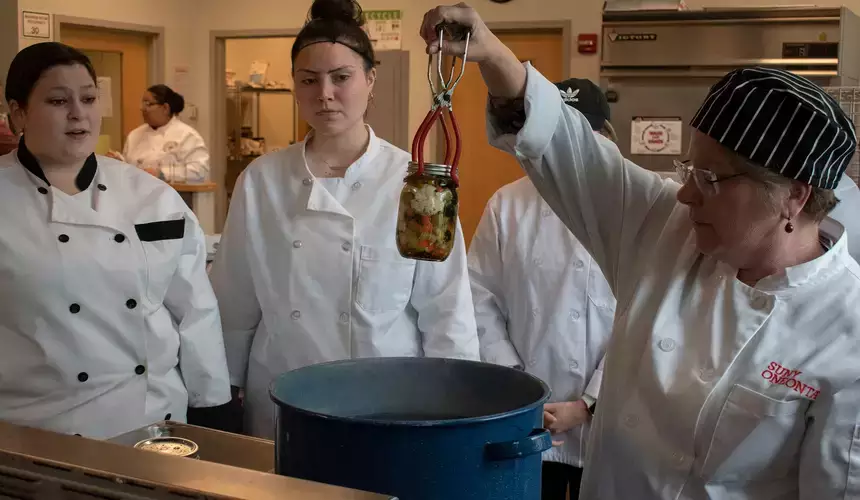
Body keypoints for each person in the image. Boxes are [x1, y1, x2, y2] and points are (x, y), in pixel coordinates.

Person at [421, 4, 860, 499]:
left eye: (710, 178)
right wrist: (494, 55)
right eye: (689, 169)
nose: (686, 194)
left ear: (794, 196)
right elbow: (569, 150)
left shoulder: (848, 331)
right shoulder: (666, 228)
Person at [210, 0, 480, 440]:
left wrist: (458, 410)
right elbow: (234, 304)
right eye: (308, 80)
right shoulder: (261, 180)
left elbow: (446, 309)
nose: (324, 94)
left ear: (370, 80)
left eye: (341, 77)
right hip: (283, 396)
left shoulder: (416, 184)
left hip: (388, 402)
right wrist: (221, 394)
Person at [0, 42, 231, 439]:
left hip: (155, 424)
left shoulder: (151, 196)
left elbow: (195, 309)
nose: (79, 113)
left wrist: (213, 406)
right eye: (58, 101)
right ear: (18, 113)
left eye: (89, 98)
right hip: (37, 429)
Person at [468, 77, 616, 500]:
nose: (568, 148)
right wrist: (521, 389)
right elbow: (478, 298)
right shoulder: (507, 205)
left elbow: (644, 316)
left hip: (608, 419)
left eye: (582, 135)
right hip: (527, 416)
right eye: (558, 134)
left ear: (605, 135)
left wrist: (588, 404)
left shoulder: (628, 206)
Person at [107, 84, 209, 183]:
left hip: (173, 193)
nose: (142, 108)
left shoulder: (187, 135)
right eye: (142, 104)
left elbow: (199, 171)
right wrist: (119, 163)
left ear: (165, 108)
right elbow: (130, 170)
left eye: (148, 104)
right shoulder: (135, 135)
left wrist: (163, 174)